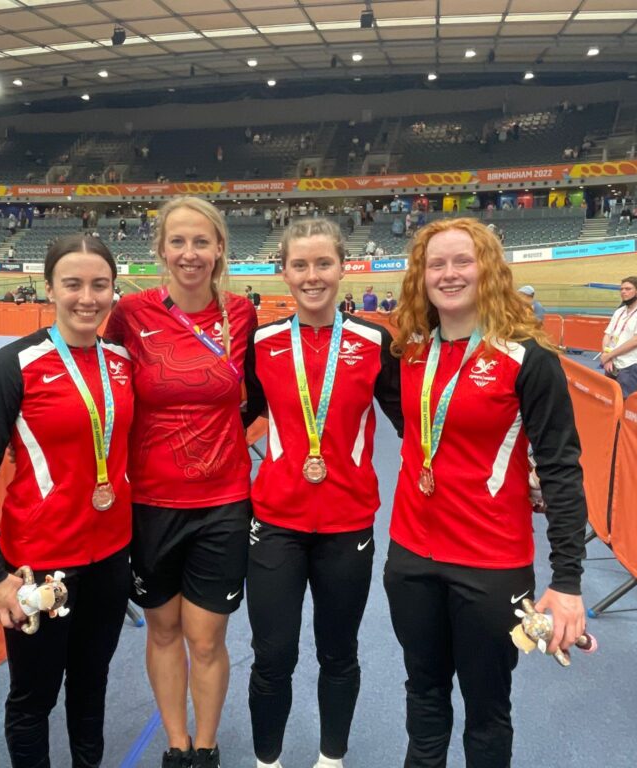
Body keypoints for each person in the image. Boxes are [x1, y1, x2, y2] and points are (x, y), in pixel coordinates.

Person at [384, 218, 587, 768]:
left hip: (490, 568)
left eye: (462, 261)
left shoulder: (528, 358)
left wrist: (567, 582)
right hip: (410, 559)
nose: (449, 274)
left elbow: (562, 469)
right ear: (420, 277)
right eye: (436, 264)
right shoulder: (408, 350)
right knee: (423, 698)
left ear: (488, 269)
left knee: (487, 711)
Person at [0, 234, 133, 768]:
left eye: (99, 285)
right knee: (34, 698)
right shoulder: (14, 365)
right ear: (49, 288)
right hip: (38, 568)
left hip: (109, 559)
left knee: (91, 685)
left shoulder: (123, 361)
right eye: (72, 284)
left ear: (113, 290)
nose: (87, 297)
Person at [103, 197, 258, 768]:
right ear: (160, 249)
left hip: (222, 502)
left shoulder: (241, 314)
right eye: (178, 242)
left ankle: (208, 747)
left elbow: (254, 397)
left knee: (207, 638)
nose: (190, 254)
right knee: (164, 631)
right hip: (150, 501)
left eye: (202, 242)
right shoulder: (130, 314)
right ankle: (177, 744)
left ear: (220, 249)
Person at [243, 219, 402, 768]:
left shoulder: (375, 342)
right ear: (283, 272)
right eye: (300, 265)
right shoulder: (260, 343)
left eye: (323, 264)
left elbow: (414, 422)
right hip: (276, 525)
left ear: (343, 268)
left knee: (339, 654)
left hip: (347, 525)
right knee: (273, 656)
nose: (312, 277)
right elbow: (235, 417)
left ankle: (330, 760)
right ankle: (268, 761)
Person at [599, 276, 637, 399]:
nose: (623, 292)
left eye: (628, 289)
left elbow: (636, 340)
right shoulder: (619, 311)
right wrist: (607, 356)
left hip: (629, 366)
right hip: (612, 363)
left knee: (624, 403)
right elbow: (608, 335)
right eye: (621, 289)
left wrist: (609, 355)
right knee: (608, 401)